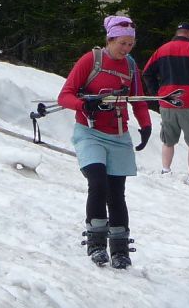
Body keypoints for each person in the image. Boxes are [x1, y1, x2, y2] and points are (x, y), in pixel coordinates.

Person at [58, 15, 151, 269]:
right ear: (110, 39)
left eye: (130, 44)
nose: (126, 49)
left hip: (118, 135)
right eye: (122, 43)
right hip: (89, 131)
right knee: (97, 182)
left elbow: (138, 98)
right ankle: (96, 242)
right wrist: (84, 104)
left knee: (116, 192)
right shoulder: (91, 60)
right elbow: (64, 96)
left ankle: (120, 249)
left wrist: (146, 125)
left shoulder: (130, 66)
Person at [142, 22, 189, 182]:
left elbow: (147, 73)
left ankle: (166, 170)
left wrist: (157, 94)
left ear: (177, 33)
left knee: (168, 139)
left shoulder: (162, 50)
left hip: (166, 101)